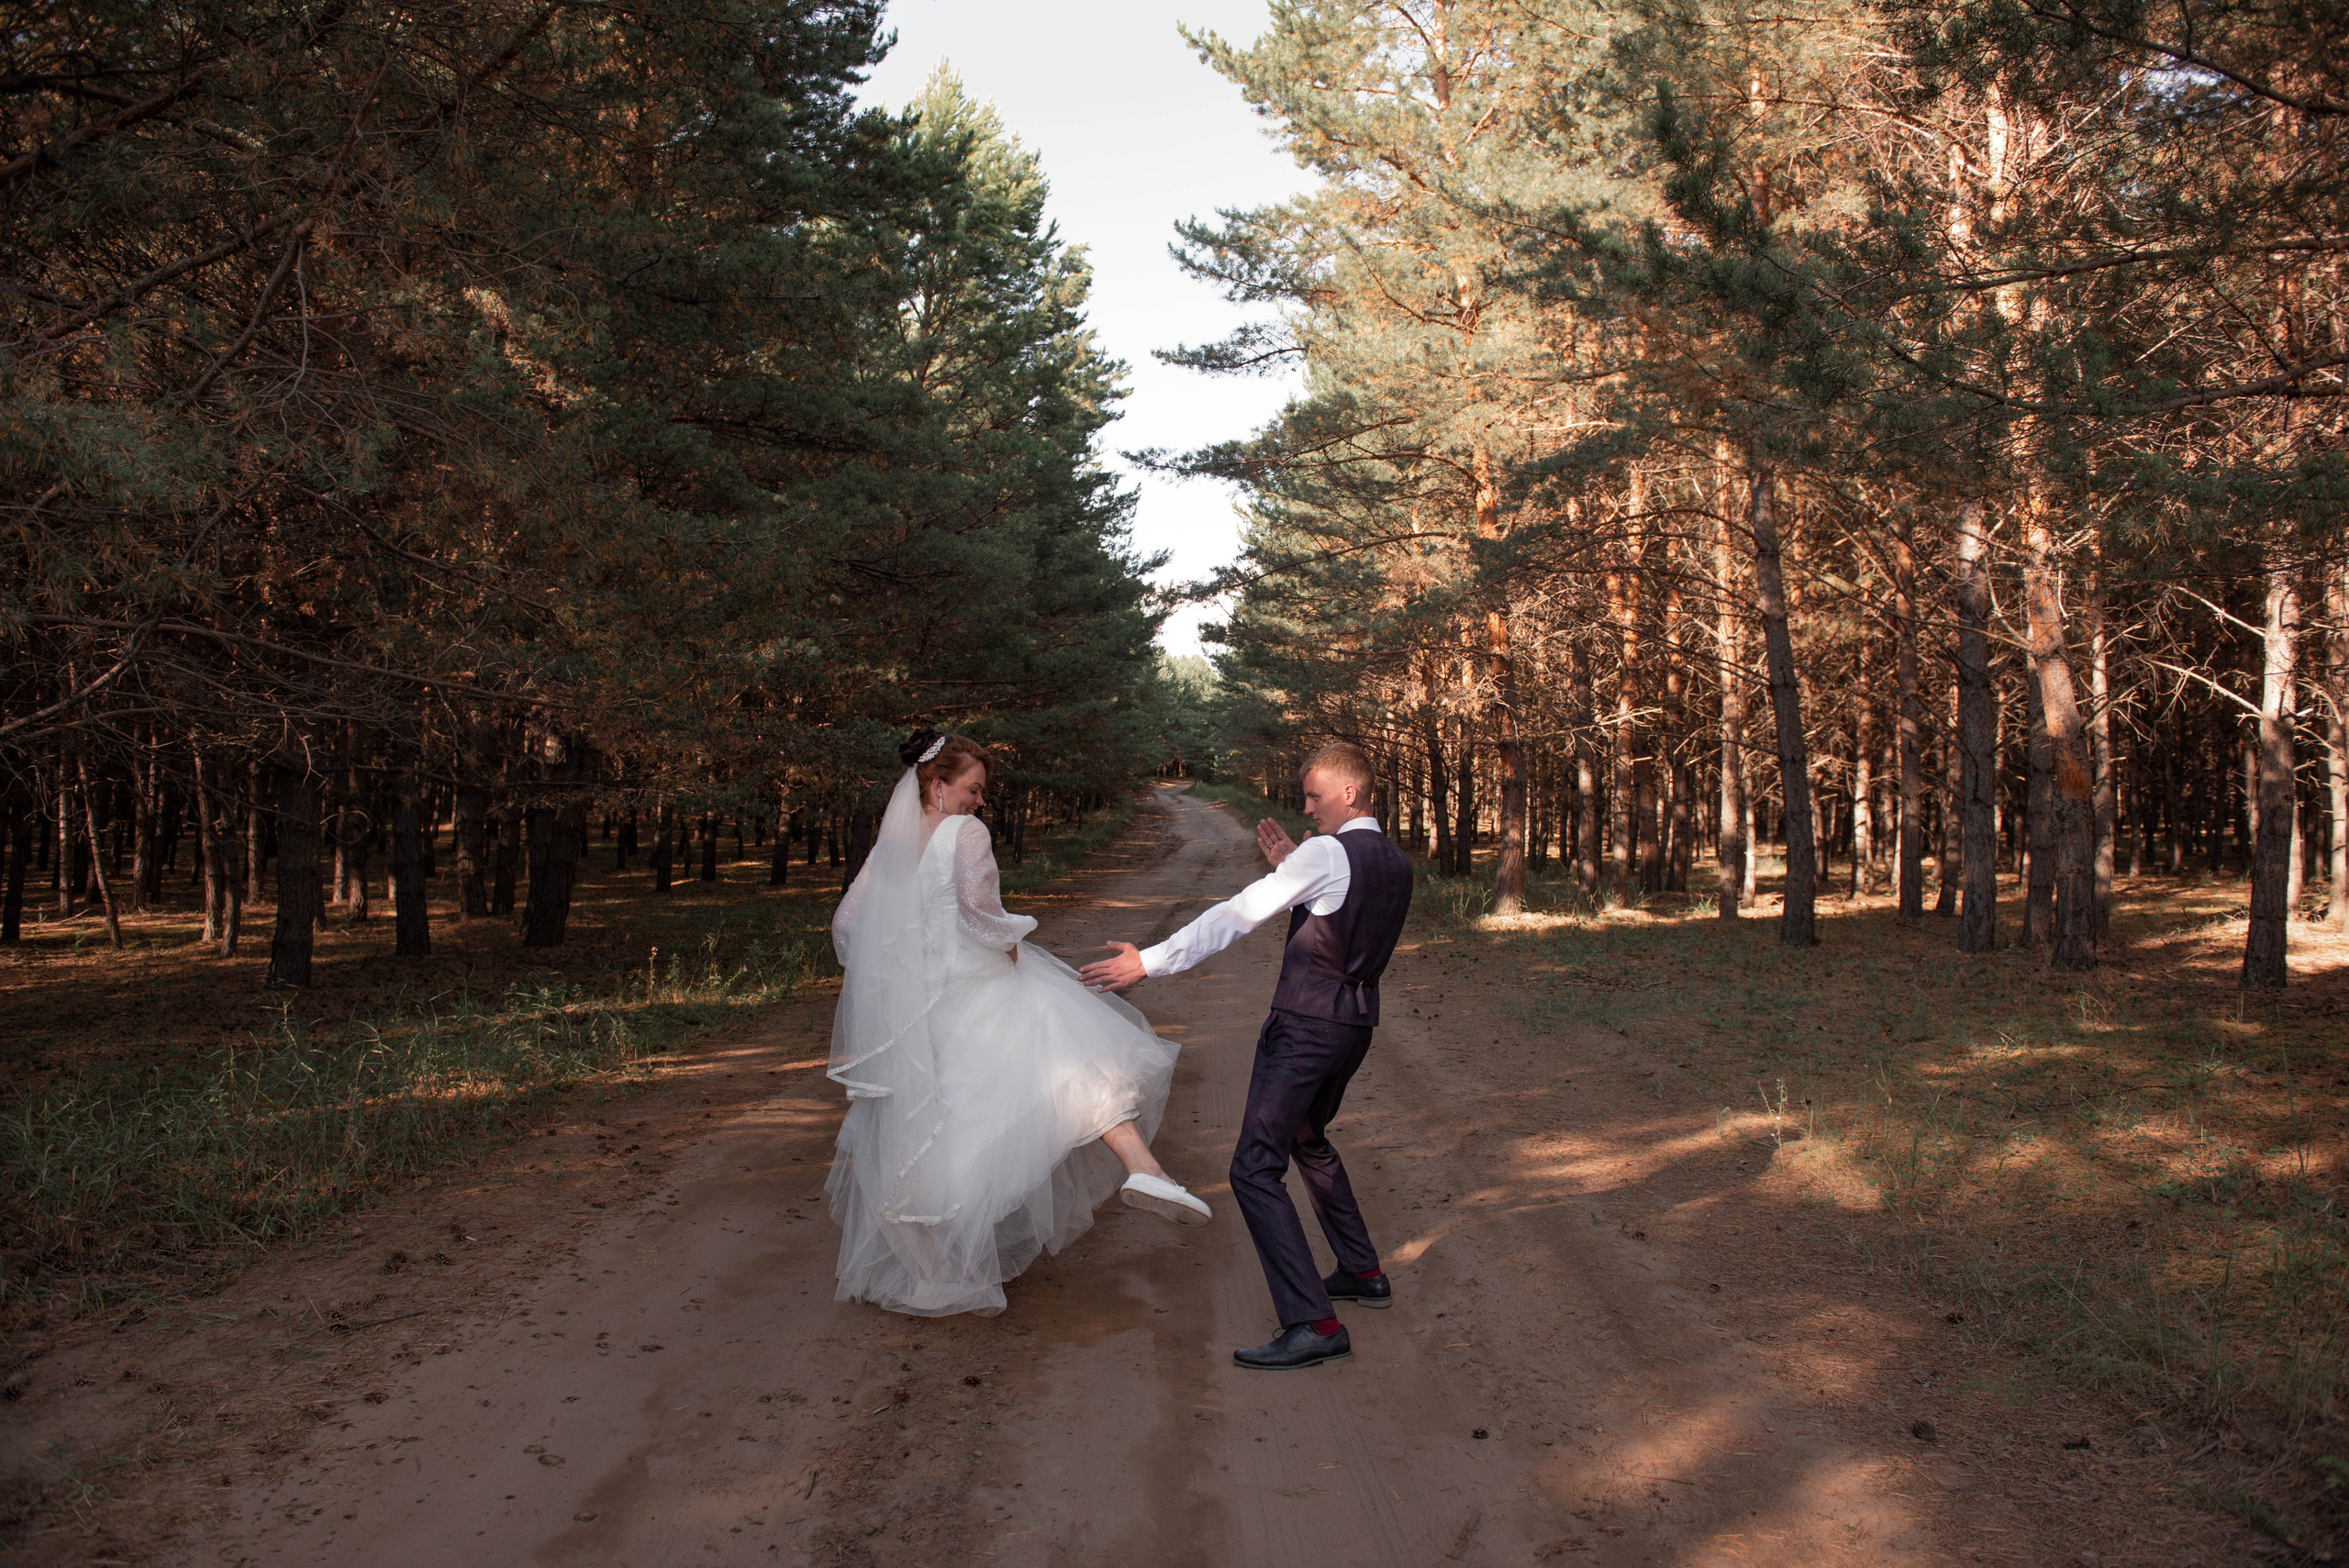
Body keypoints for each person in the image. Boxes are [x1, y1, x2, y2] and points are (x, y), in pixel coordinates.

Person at [825, 729, 1211, 1318]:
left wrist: (898, 971)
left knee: (929, 1132)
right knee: (1075, 1059)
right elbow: (979, 913)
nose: (980, 802)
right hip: (978, 985)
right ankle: (1144, 1169)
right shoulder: (967, 833)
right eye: (974, 789)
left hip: (920, 1008)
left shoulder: (893, 842)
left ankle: (936, 1277)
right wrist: (1014, 946)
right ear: (938, 785)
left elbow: (849, 923)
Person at [1080, 742, 1410, 1371]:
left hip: (1306, 1026)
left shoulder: (1327, 853)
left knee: (1254, 1168)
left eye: (1315, 796)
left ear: (1351, 794)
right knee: (1308, 1138)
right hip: (1356, 1025)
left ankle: (1313, 1322)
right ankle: (1363, 1270)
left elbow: (1236, 913)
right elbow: (1344, 915)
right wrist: (1297, 866)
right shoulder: (1394, 860)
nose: (1305, 806)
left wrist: (1148, 960)